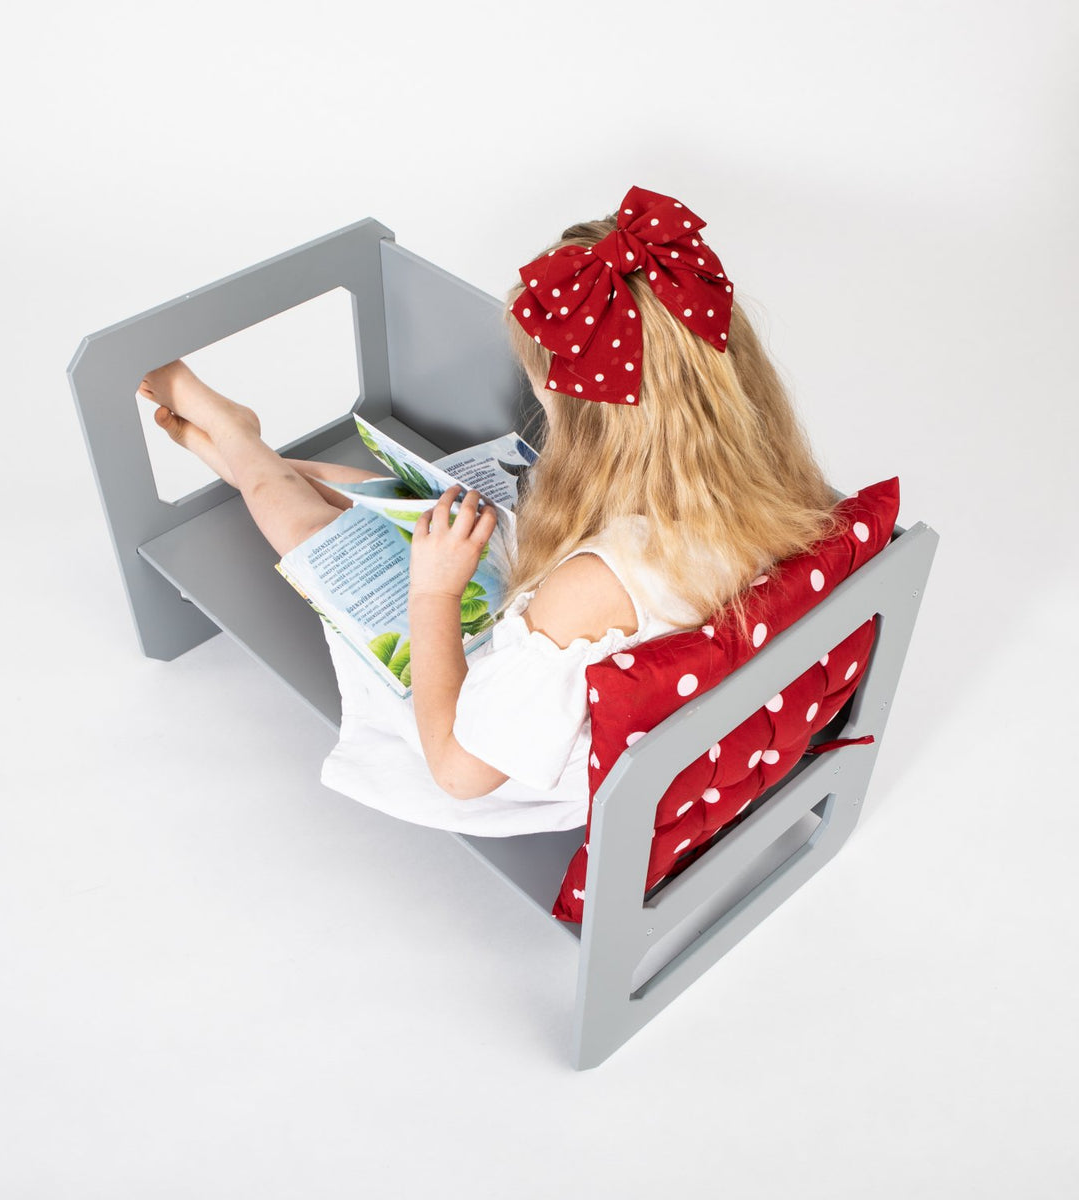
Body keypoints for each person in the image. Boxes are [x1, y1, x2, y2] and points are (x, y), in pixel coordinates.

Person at [135, 185, 841, 836]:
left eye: (548, 404)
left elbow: (459, 772)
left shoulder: (587, 589)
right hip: (601, 635)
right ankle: (256, 455)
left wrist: (434, 591)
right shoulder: (766, 482)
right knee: (427, 509)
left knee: (324, 539)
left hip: (524, 750)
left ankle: (235, 438)